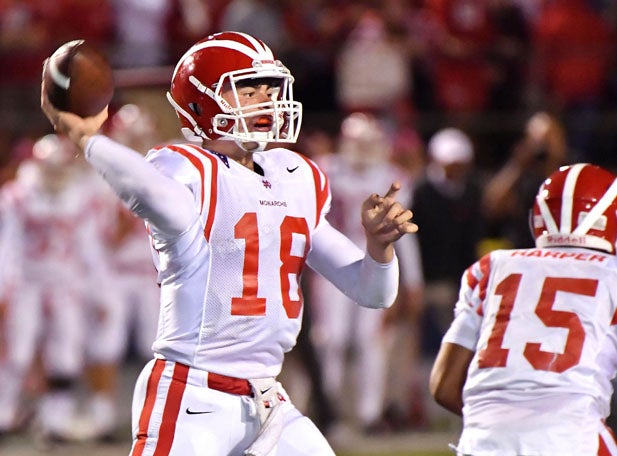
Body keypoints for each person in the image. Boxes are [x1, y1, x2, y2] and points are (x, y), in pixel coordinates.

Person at [41, 31, 417, 456]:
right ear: (202, 101)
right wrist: (89, 139)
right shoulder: (185, 168)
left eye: (269, 87)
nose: (265, 99)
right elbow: (153, 197)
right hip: (192, 397)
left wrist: (379, 248)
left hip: (268, 400)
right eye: (248, 88)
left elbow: (373, 292)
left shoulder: (294, 175)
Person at [429, 163, 617, 455]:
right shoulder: (611, 274)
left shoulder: (491, 267)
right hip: (572, 439)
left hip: (483, 441)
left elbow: (443, 385)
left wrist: (505, 424)